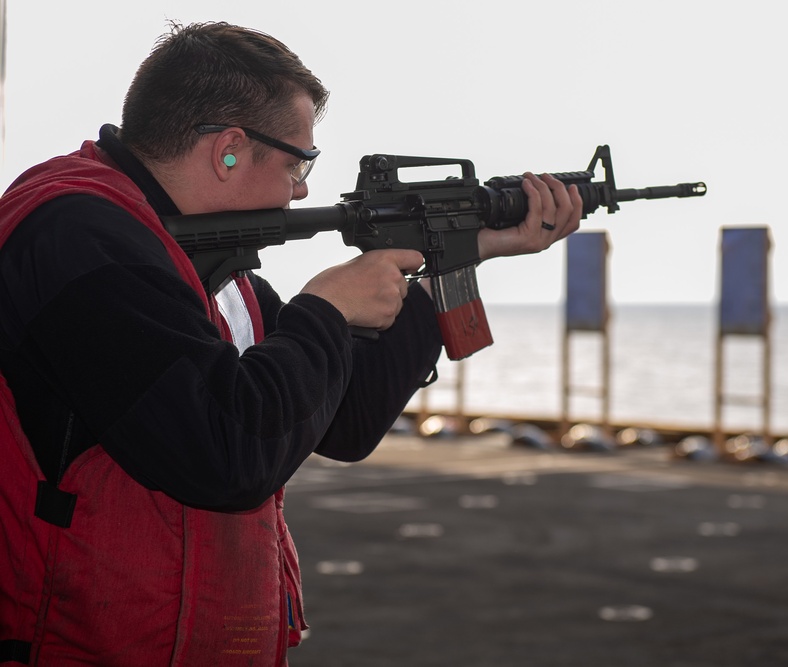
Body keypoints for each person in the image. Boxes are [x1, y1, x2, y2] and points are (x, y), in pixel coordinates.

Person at [0, 21, 582, 666]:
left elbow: (344, 423)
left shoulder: (200, 262)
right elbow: (226, 456)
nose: (303, 187)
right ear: (229, 149)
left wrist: (452, 261)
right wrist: (325, 310)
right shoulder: (80, 236)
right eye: (299, 161)